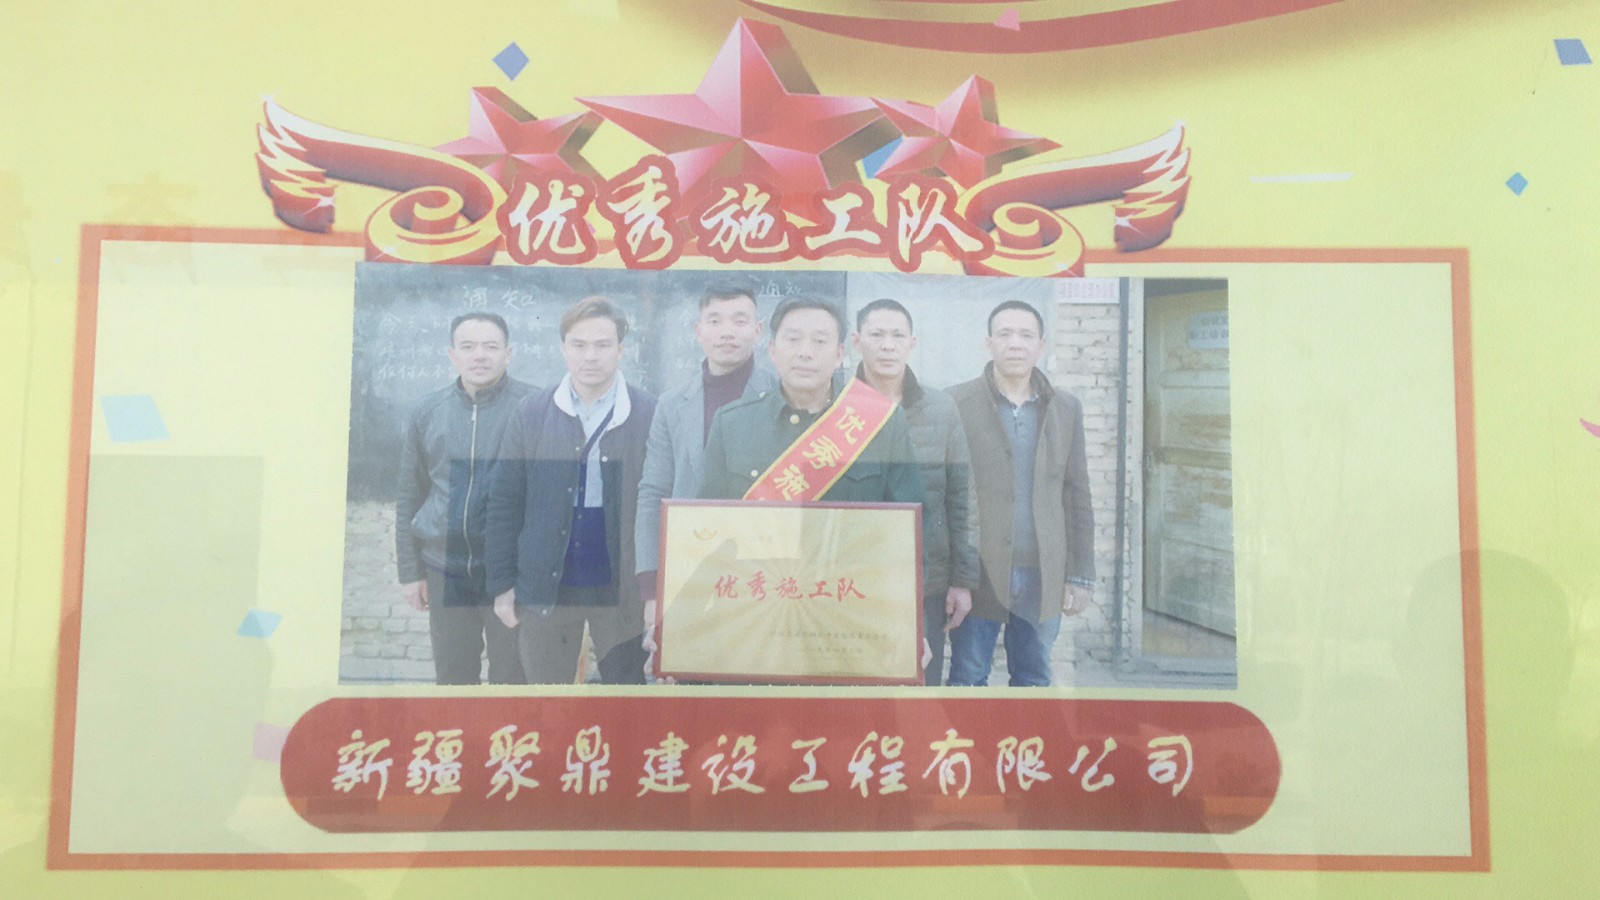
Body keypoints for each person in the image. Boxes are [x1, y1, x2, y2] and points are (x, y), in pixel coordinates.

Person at [485, 296, 657, 684]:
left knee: (625, 694)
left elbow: (659, 503)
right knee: (548, 700)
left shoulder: (648, 412)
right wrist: (501, 585)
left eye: (602, 345)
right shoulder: (532, 412)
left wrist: (653, 590)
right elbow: (505, 502)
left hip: (620, 585)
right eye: (579, 345)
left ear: (621, 350)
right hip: (548, 582)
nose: (590, 356)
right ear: (563, 348)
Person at [947, 300, 1095, 687]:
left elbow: (1077, 494)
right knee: (968, 675)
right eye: (1005, 334)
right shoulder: (957, 403)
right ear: (989, 342)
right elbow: (947, 494)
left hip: (1043, 572)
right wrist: (953, 575)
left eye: (1026, 335)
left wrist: (1080, 575)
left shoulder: (1065, 408)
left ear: (1041, 345)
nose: (1015, 343)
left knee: (1033, 678)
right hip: (979, 571)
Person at [394, 312, 534, 685]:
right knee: (453, 680)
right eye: (468, 347)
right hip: (445, 570)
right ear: (452, 355)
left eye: (491, 346)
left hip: (509, 573)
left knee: (512, 680)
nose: (480, 355)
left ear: (509, 353)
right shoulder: (427, 412)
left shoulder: (534, 408)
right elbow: (410, 494)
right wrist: (410, 572)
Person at [634, 278, 779, 632]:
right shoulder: (671, 405)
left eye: (740, 320)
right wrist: (651, 588)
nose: (727, 332)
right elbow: (653, 493)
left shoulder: (782, 395)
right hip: (690, 569)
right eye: (715, 321)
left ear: (758, 330)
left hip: (767, 573)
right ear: (699, 331)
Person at [850, 298, 977, 685]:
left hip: (926, 579)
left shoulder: (941, 408)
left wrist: (962, 580)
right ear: (856, 341)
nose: (887, 345)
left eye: (897, 335)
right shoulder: (836, 407)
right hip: (851, 580)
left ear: (912, 343)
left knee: (921, 683)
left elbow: (961, 498)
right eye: (876, 334)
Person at [697, 297, 924, 505]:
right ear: (772, 350)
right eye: (793, 339)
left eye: (819, 341)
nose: (805, 352)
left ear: (839, 354)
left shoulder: (884, 422)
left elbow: (910, 523)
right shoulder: (732, 424)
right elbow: (710, 520)